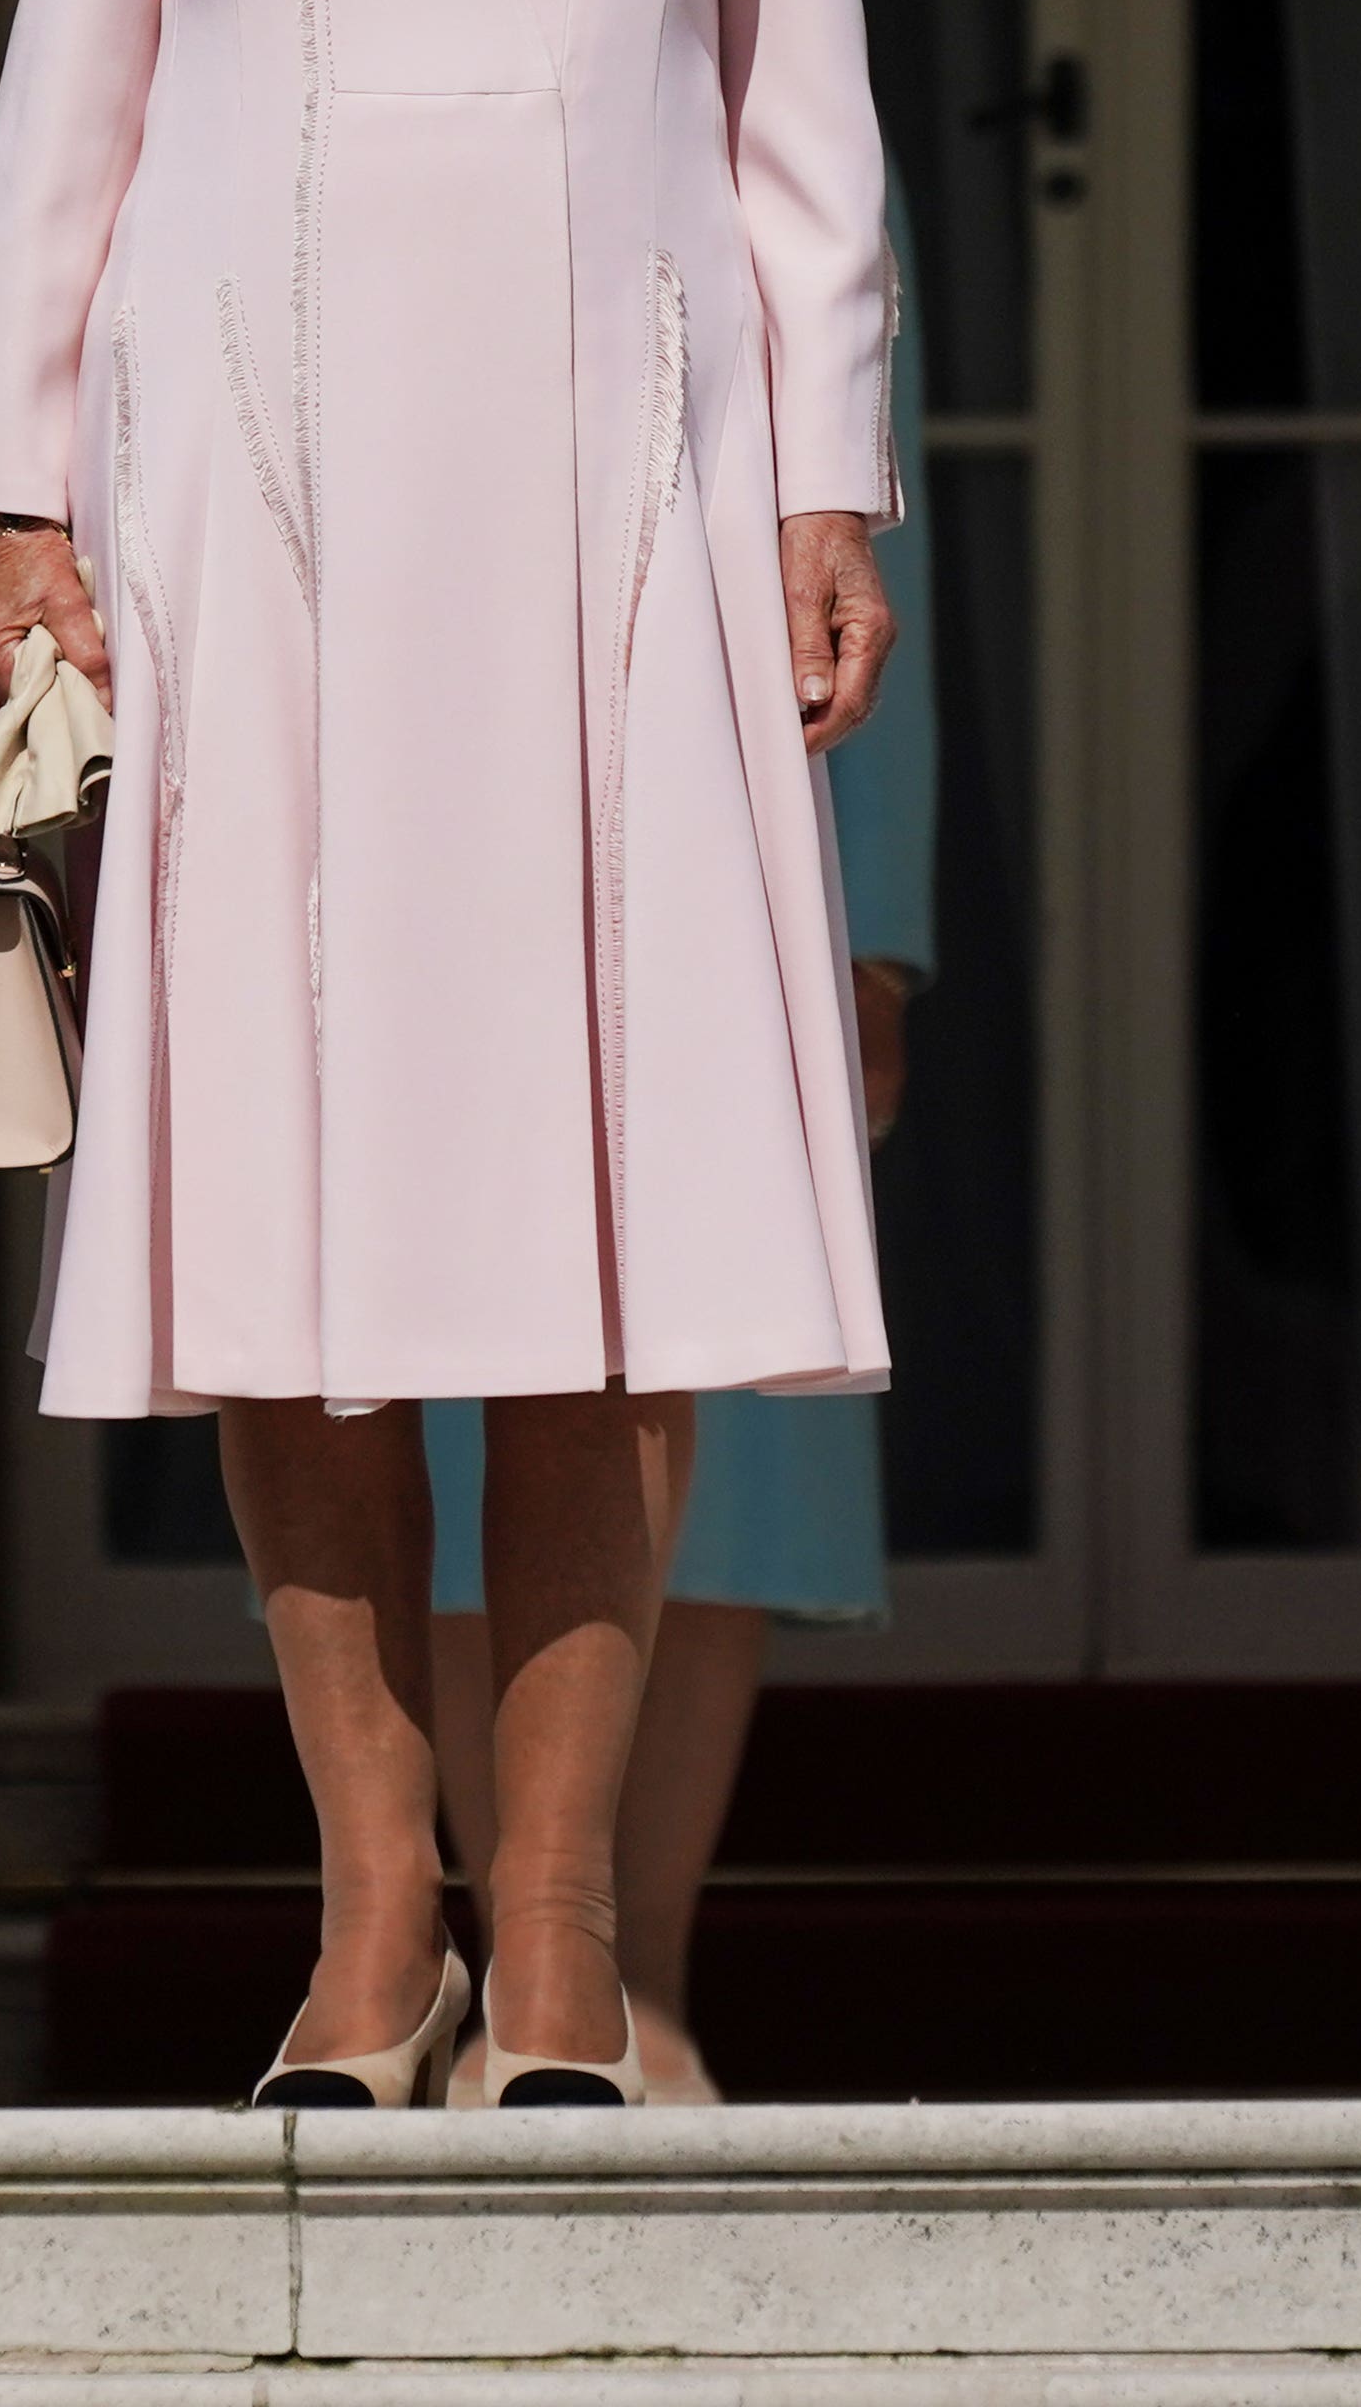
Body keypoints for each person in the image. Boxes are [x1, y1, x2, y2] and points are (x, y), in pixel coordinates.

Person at [0, 0, 898, 2111]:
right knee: (300, 1219)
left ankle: (579, 1938)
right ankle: (373, 1926)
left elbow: (801, 76)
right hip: (260, 492)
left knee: (607, 1241)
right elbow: (80, 44)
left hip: (631, 482)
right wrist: (6, 488)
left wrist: (828, 469)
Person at [425, 185, 937, 2106]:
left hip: (734, 820)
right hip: (443, 798)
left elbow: (891, 554)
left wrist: (871, 926)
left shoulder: (792, 158)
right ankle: (496, 1977)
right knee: (461, 1387)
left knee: (739, 1452)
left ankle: (644, 1978)